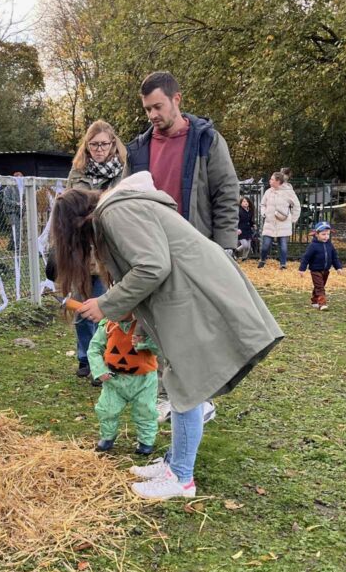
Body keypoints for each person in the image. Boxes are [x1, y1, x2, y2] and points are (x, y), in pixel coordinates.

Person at [50, 174, 284, 501]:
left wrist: (106, 305)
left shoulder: (114, 213)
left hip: (193, 290)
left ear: (74, 224)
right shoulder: (116, 212)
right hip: (186, 290)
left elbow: (152, 266)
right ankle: (174, 463)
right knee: (180, 380)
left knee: (187, 386)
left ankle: (182, 479)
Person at [127, 71, 239, 423]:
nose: (152, 116)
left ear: (177, 99)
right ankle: (173, 396)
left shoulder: (206, 140)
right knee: (161, 327)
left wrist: (224, 249)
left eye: (157, 106)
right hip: (153, 252)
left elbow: (226, 194)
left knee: (194, 328)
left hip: (195, 249)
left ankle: (197, 398)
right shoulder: (139, 148)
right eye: (147, 109)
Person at [67, 120, 127, 381]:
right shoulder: (77, 173)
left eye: (103, 144)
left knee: (105, 306)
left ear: (113, 144)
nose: (99, 149)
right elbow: (68, 209)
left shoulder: (124, 172)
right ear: (87, 147)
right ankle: (86, 359)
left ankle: (104, 359)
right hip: (81, 248)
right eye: (94, 145)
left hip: (111, 246)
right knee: (82, 306)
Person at [87, 314, 158, 455]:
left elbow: (162, 348)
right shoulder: (108, 325)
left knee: (146, 410)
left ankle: (146, 441)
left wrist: (145, 343)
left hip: (143, 380)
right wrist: (99, 369)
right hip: (114, 379)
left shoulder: (147, 324)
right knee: (107, 409)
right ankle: (107, 436)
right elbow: (94, 348)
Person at [258, 172, 300, 268]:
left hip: (283, 222)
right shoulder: (268, 192)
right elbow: (262, 204)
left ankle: (283, 264)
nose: (270, 181)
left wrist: (293, 219)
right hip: (270, 222)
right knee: (265, 245)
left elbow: (296, 205)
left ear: (278, 181)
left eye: (272, 179)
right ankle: (262, 260)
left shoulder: (288, 192)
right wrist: (264, 213)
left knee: (283, 246)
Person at [298, 220, 343, 310]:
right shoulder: (313, 246)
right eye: (323, 234)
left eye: (328, 234)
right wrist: (302, 269)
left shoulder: (329, 245)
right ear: (316, 234)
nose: (326, 236)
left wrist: (338, 267)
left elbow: (334, 257)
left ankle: (315, 300)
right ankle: (322, 303)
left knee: (319, 286)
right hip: (315, 270)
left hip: (326, 270)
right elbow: (306, 258)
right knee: (320, 287)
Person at [2, 171, 23, 251]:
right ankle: (17, 247)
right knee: (16, 228)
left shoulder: (19, 188)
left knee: (15, 229)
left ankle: (10, 247)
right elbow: (6, 200)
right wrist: (16, 203)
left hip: (19, 211)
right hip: (11, 211)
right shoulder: (8, 188)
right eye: (19, 178)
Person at [237, 195, 255, 260]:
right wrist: (237, 229)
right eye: (244, 201)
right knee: (245, 245)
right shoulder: (239, 211)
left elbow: (250, 221)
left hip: (248, 230)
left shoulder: (250, 211)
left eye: (247, 201)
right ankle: (235, 251)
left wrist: (253, 225)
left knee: (248, 247)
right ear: (241, 203)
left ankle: (244, 258)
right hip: (241, 230)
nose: (246, 202)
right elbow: (236, 221)